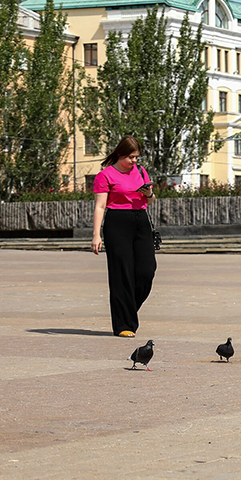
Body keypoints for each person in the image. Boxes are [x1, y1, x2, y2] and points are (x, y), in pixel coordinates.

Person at [91, 136, 157, 337]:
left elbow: (151, 200)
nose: (134, 161)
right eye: (130, 157)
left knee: (147, 271)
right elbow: (100, 206)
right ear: (120, 154)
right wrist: (96, 235)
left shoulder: (141, 171)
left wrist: (148, 194)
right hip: (117, 222)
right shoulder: (105, 175)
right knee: (122, 273)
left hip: (141, 221)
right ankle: (123, 325)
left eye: (136, 157)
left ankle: (127, 311)